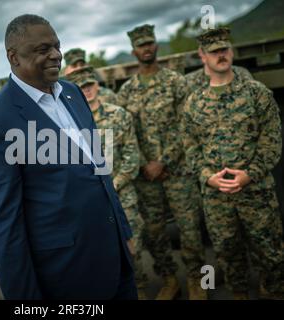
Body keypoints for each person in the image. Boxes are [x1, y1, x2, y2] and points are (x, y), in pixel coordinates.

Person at [0, 14, 137, 300]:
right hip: (67, 276)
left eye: (57, 46)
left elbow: (97, 170)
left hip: (115, 259)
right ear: (14, 57)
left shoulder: (72, 93)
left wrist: (124, 232)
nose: (56, 55)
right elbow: (3, 225)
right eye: (42, 49)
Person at [182, 27, 284, 300]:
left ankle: (274, 291)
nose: (221, 55)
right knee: (228, 252)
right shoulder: (194, 104)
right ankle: (239, 294)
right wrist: (208, 177)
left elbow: (271, 141)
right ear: (203, 56)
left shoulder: (257, 93)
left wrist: (250, 174)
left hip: (256, 191)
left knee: (271, 252)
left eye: (224, 49)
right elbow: (190, 149)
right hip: (217, 197)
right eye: (214, 51)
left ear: (232, 50)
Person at [116, 24, 206, 300]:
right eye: (141, 45)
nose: (146, 49)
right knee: (154, 232)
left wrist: (163, 161)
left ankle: (196, 280)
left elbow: (188, 126)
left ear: (156, 46)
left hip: (177, 171)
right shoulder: (127, 92)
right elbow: (124, 134)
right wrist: (144, 164)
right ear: (134, 51)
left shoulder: (176, 82)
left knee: (190, 228)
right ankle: (169, 280)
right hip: (146, 178)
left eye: (150, 43)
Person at [66, 66, 148, 299]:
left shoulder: (118, 115)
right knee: (99, 254)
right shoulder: (68, 125)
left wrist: (114, 183)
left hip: (122, 196)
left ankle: (139, 289)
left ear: (97, 85)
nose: (88, 90)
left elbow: (132, 156)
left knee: (133, 248)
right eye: (83, 87)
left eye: (90, 85)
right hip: (89, 202)